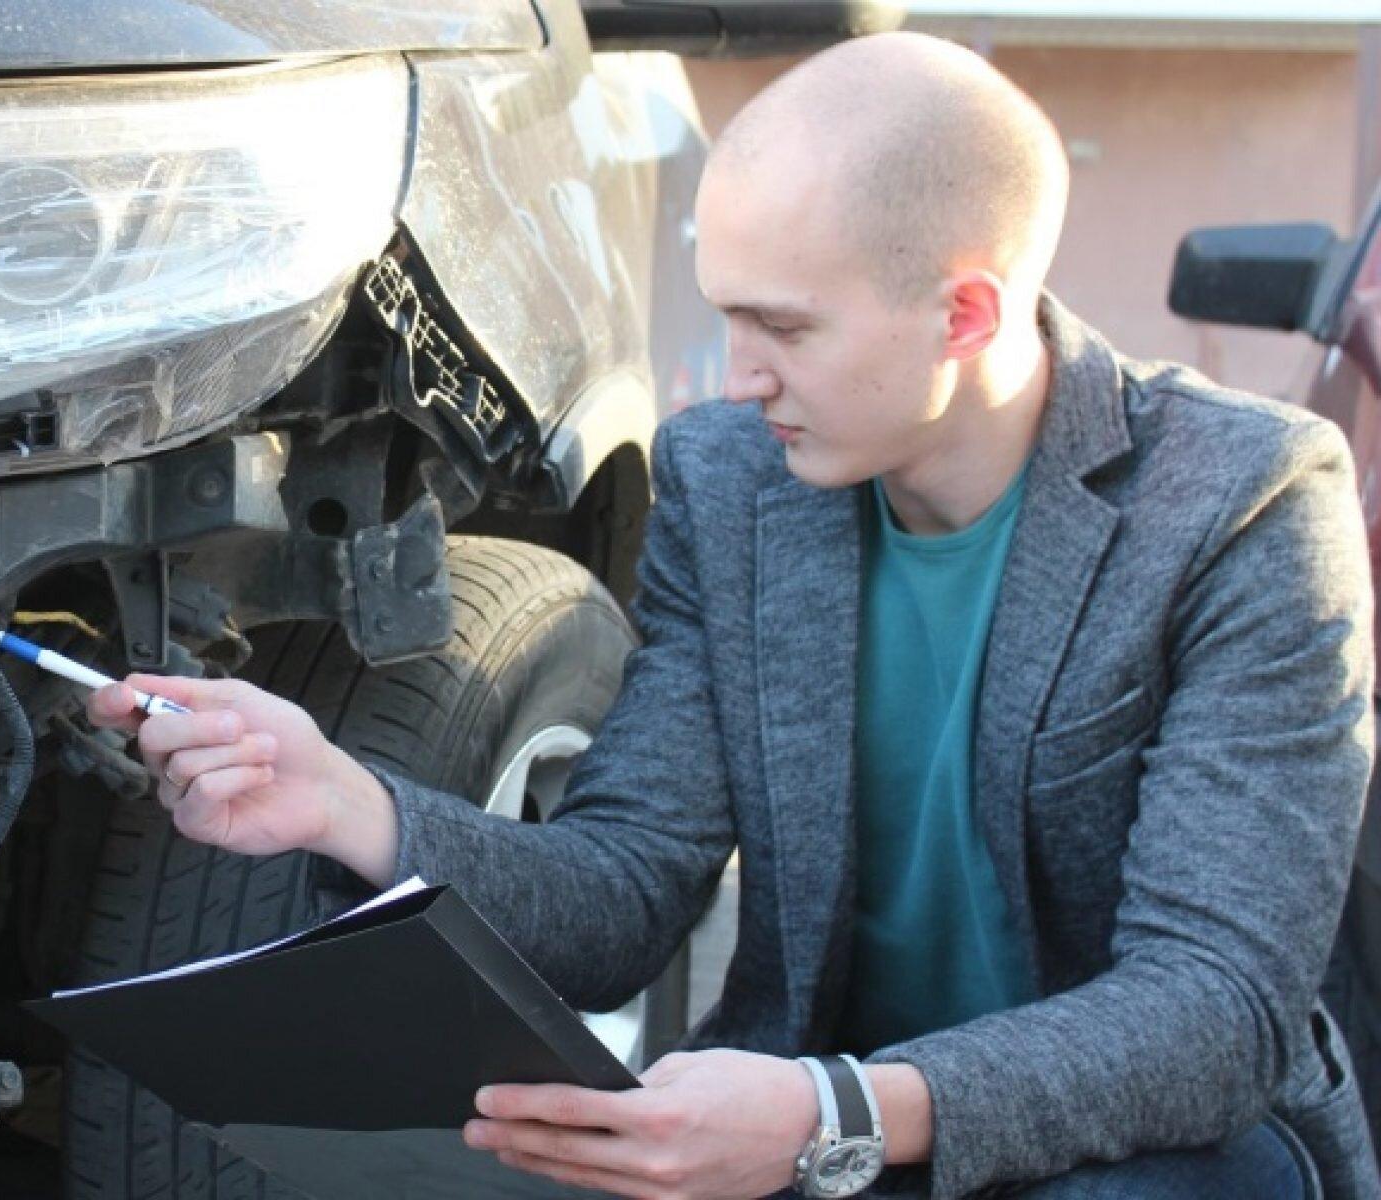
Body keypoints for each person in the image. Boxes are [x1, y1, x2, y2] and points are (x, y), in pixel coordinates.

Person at [86, 30, 1379, 1200]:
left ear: (965, 313)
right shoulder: (732, 483)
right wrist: (346, 803)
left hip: (1143, 1149)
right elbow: (626, 888)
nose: (738, 372)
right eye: (726, 314)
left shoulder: (1249, 502)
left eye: (783, 327)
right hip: (810, 1116)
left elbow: (1216, 1009)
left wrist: (835, 1111)